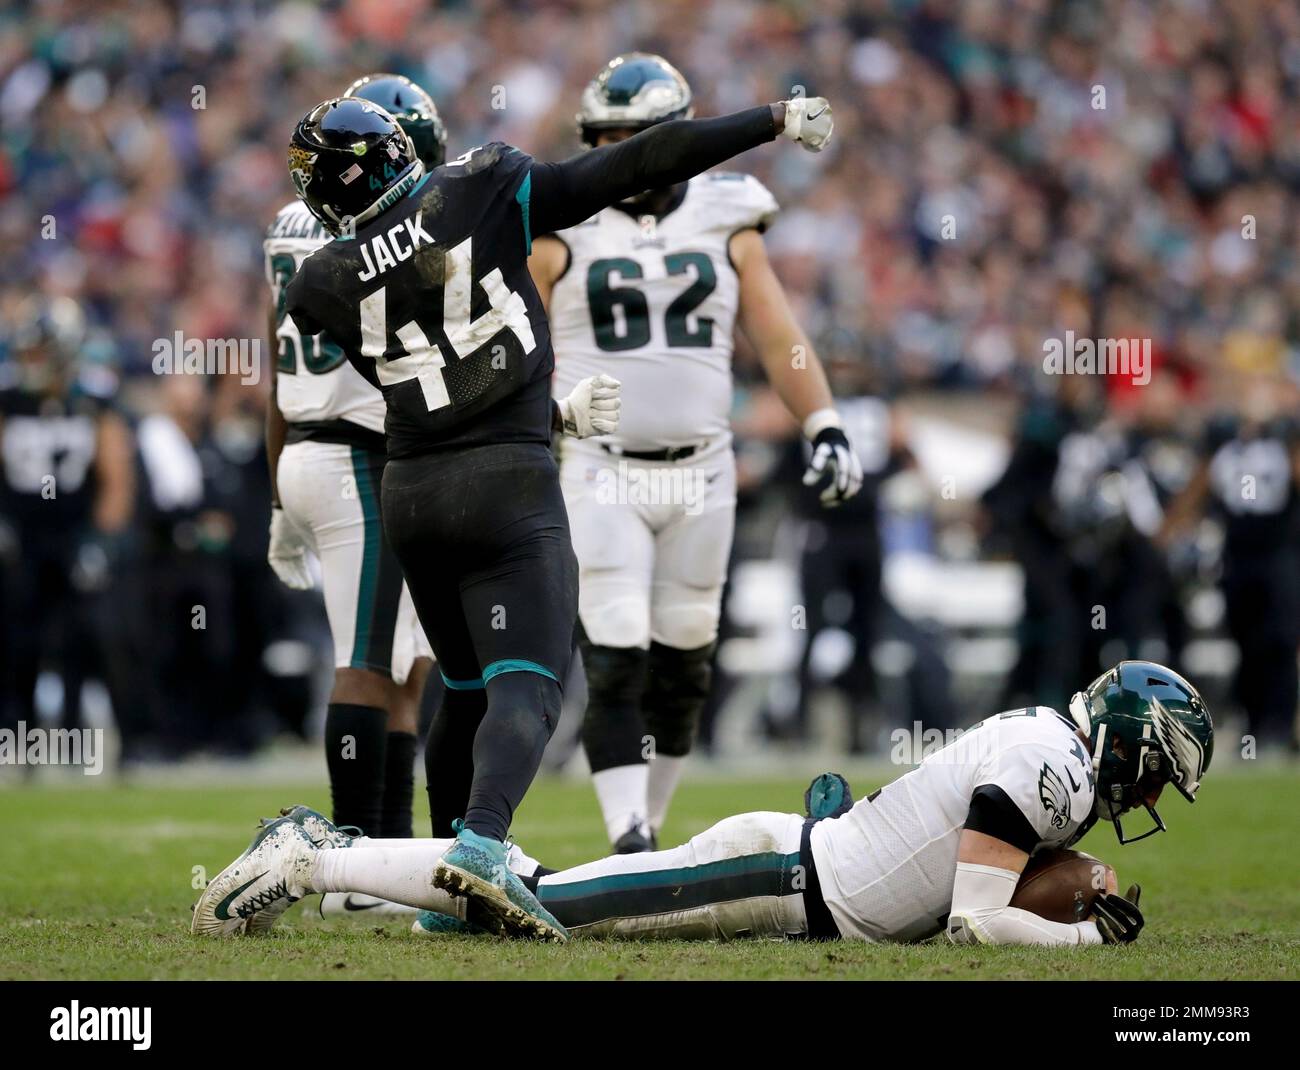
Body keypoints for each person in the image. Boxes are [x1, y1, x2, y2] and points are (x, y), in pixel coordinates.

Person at [273, 89, 835, 938]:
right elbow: (639, 164)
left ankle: (442, 886)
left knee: (459, 690)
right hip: (506, 482)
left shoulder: (319, 281)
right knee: (530, 687)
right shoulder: (483, 180)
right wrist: (765, 120)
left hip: (416, 493)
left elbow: (434, 376)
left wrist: (552, 414)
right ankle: (481, 847)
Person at [192, 660, 1209, 946]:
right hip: (781, 874)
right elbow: (974, 921)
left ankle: (373, 891)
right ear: (1126, 740)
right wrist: (1088, 938)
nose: (1151, 790)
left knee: (520, 905)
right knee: (534, 893)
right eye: (1157, 768)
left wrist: (1070, 885)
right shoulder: (1052, 763)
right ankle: (314, 852)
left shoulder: (1048, 745)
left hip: (804, 865)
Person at [530, 54, 863, 853]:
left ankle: (657, 827)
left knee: (685, 664)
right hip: (600, 463)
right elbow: (520, 350)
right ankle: (627, 836)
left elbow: (777, 334)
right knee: (614, 651)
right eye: (606, 140)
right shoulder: (560, 225)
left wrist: (824, 422)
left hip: (704, 468)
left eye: (636, 138)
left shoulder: (727, 212)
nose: (622, 155)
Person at [264, 75, 446, 914]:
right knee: (369, 665)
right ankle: (347, 870)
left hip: (306, 445)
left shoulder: (287, 224)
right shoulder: (386, 229)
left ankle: (391, 853)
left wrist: (275, 495)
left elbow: (275, 366)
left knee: (404, 662)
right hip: (355, 459)